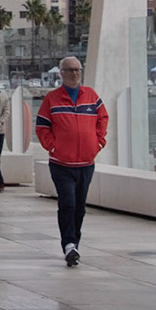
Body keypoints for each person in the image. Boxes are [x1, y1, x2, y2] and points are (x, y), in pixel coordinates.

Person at [36, 56, 108, 267]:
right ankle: (68, 244)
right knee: (67, 203)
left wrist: (98, 142)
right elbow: (42, 126)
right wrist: (53, 147)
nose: (75, 73)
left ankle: (74, 243)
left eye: (77, 70)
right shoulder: (52, 99)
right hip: (61, 164)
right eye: (70, 70)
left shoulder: (92, 97)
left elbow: (103, 119)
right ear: (62, 73)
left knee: (79, 207)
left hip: (86, 163)